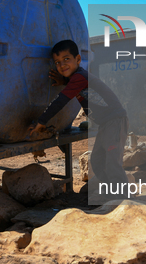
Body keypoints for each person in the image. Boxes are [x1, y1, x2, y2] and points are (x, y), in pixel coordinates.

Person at [29, 39, 129, 197]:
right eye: (57, 62)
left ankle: (123, 199)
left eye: (66, 59)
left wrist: (41, 121)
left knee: (112, 162)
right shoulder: (76, 79)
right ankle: (111, 193)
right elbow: (75, 86)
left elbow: (61, 100)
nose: (62, 65)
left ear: (78, 59)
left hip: (114, 121)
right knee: (97, 161)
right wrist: (64, 81)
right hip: (106, 123)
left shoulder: (80, 77)